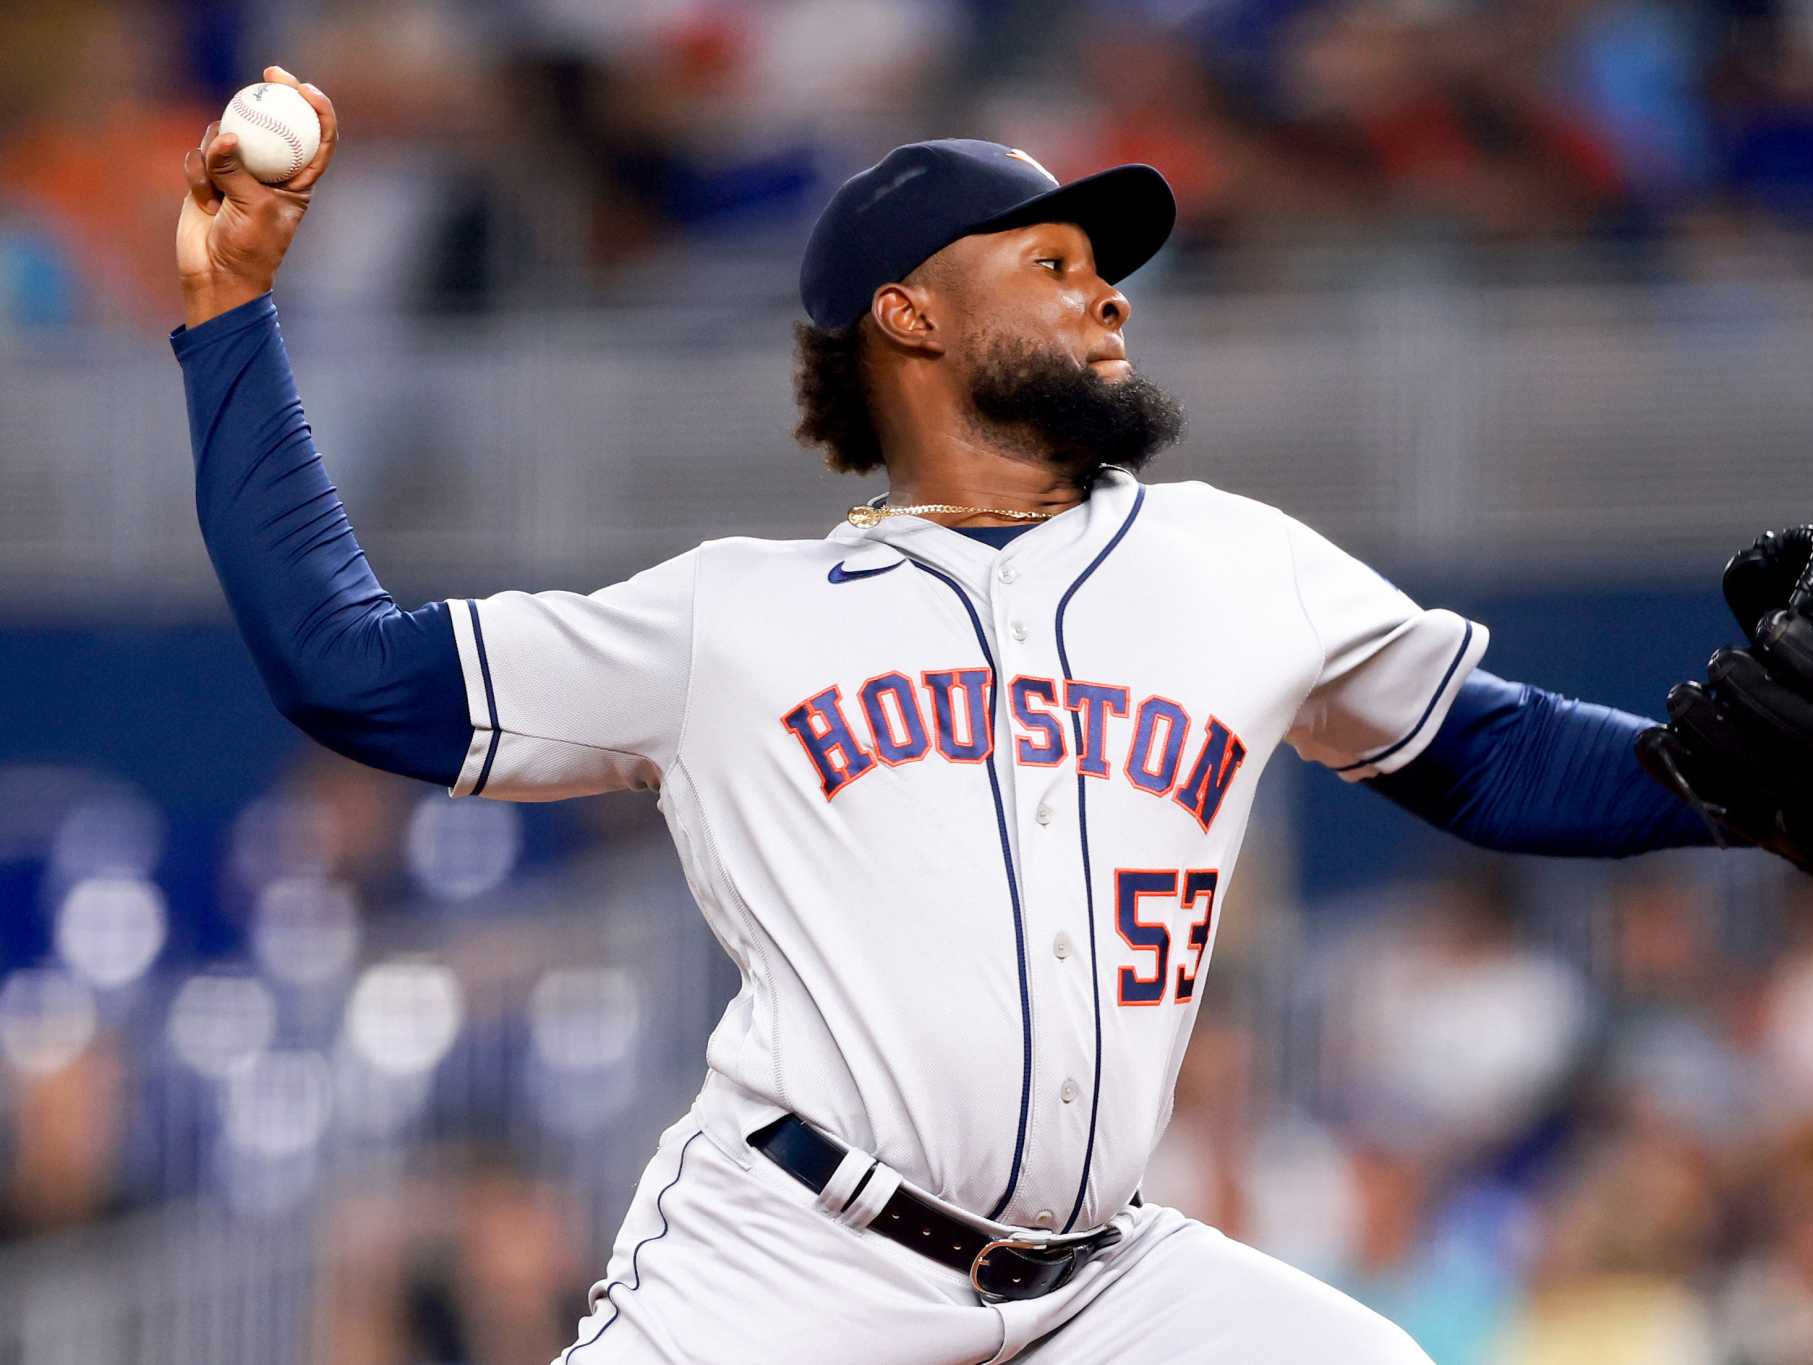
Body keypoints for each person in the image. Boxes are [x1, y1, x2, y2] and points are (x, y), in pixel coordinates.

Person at [174, 67, 1712, 1364]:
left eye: (1099, 265)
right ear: (908, 316)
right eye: (1048, 262)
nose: (1106, 286)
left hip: (1103, 1282)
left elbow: (1491, 749)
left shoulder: (1239, 564)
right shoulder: (731, 618)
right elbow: (345, 662)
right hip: (790, 1261)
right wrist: (231, 314)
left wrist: (1743, 779)